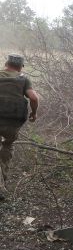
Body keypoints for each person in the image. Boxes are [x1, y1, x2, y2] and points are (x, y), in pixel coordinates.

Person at [0, 53, 39, 201]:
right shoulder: (23, 79)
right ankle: (3, 181)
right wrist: (34, 113)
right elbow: (34, 98)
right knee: (7, 146)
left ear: (6, 63)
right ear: (20, 67)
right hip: (12, 122)